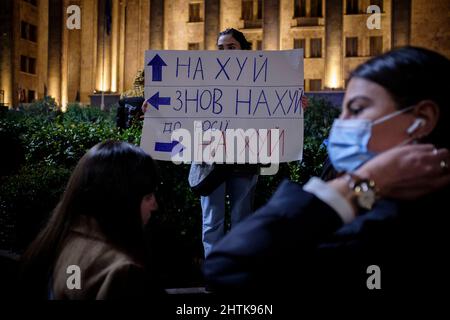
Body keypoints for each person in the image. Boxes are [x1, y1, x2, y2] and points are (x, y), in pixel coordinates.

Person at [203, 46, 450, 297]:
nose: (341, 124)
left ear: (422, 119)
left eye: (356, 109)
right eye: (342, 112)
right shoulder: (357, 209)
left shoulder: (369, 227)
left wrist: (361, 183)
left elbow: (229, 268)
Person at [20, 141, 160, 299]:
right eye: (148, 196)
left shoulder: (59, 241)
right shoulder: (122, 273)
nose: (155, 205)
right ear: (120, 199)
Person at [189, 28, 259, 258]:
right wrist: (157, 109)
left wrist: (294, 105)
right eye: (221, 48)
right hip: (210, 159)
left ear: (244, 50)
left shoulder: (259, 80)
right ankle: (215, 273)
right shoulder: (202, 79)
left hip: (244, 156)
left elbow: (274, 110)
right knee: (212, 221)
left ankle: (236, 273)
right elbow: (183, 107)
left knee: (241, 219)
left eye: (232, 47)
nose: (226, 53)